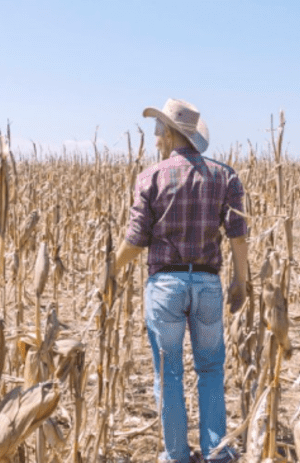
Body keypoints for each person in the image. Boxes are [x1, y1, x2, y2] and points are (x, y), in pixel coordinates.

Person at [108, 98, 249, 463]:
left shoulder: (150, 177)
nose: (155, 139)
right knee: (211, 369)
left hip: (166, 287)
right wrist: (241, 281)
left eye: (158, 131)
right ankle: (217, 452)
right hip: (207, 285)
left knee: (168, 374)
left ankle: (176, 455)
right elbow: (237, 234)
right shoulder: (225, 175)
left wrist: (110, 270)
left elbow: (136, 239)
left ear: (171, 133)